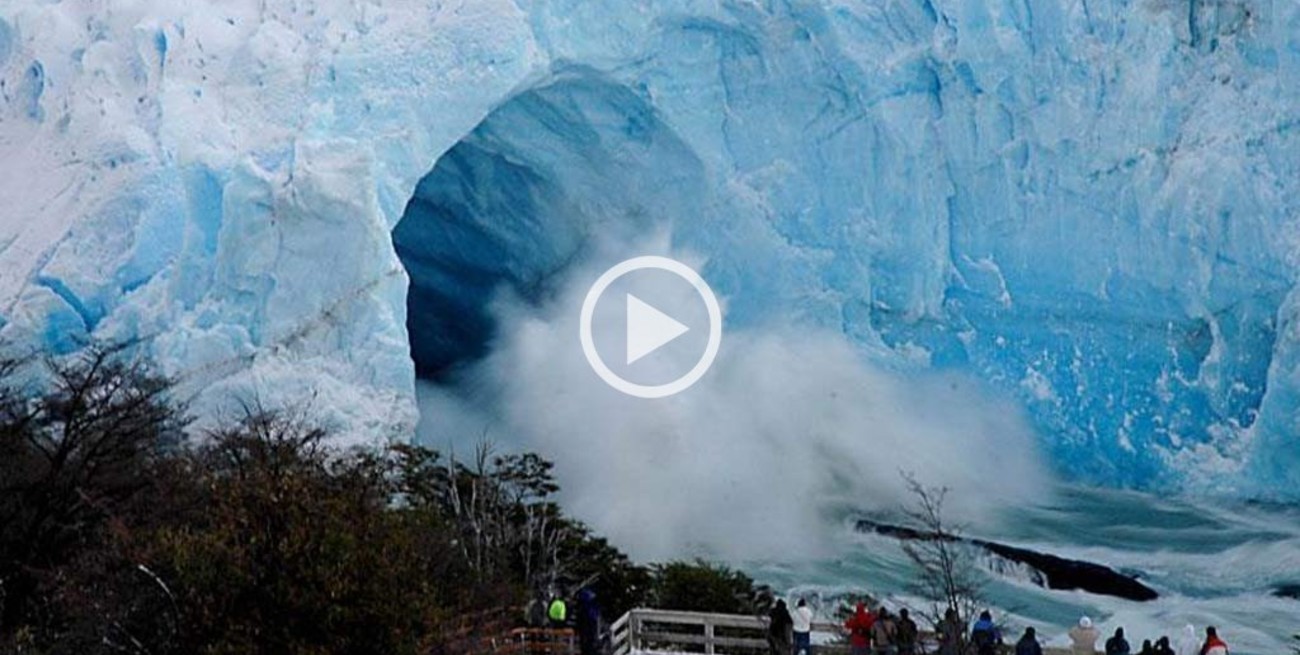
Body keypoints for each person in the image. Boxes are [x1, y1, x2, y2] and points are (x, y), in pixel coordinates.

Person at [575, 588, 602, 655]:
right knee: (591, 640)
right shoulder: (593, 600)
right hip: (592, 622)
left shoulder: (582, 602)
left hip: (585, 625)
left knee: (586, 643)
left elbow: (579, 617)